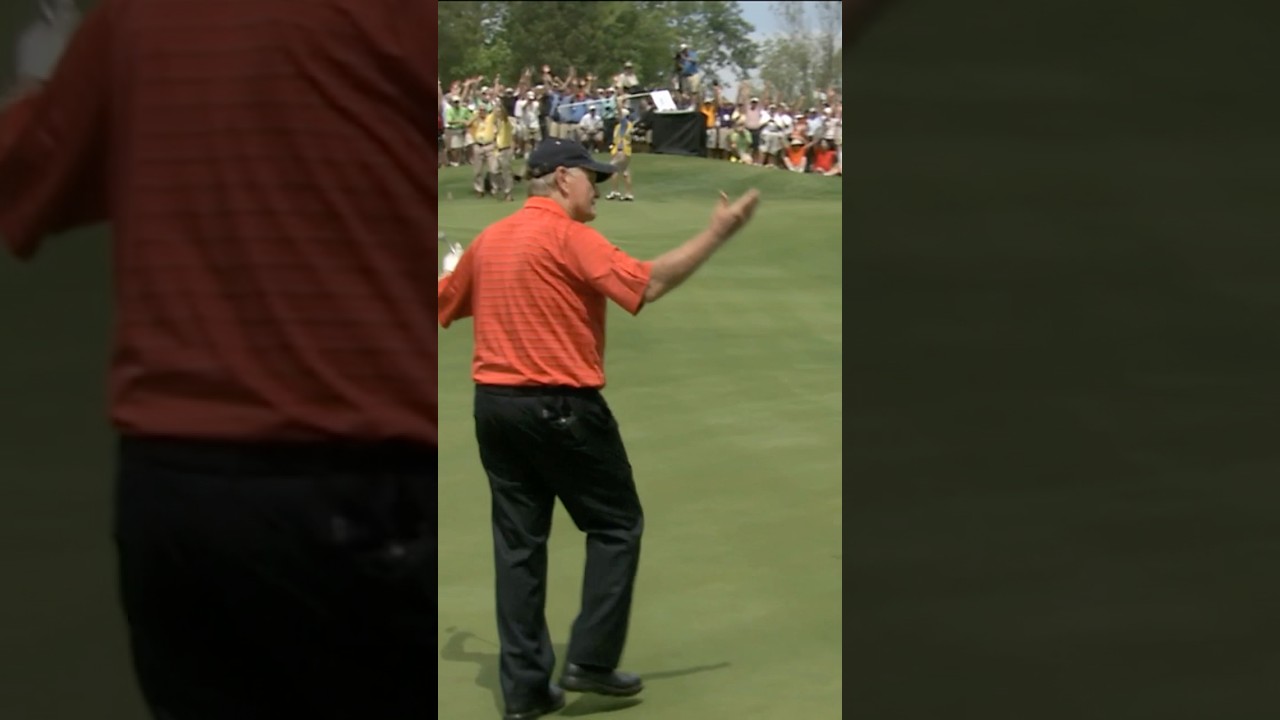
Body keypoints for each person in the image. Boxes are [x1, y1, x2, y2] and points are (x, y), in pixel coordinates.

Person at [0, 2, 438, 719]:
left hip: (181, 497)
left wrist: (40, 79)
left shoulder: (134, 19)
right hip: (365, 479)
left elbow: (23, 180)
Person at [437, 138, 760, 720]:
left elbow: (443, 303)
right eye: (593, 177)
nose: (600, 186)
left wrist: (450, 270)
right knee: (616, 524)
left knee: (518, 549)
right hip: (561, 410)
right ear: (563, 179)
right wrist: (718, 233)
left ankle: (526, 691)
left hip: (495, 411)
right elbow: (646, 285)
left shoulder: (489, 241)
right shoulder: (568, 236)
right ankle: (589, 659)